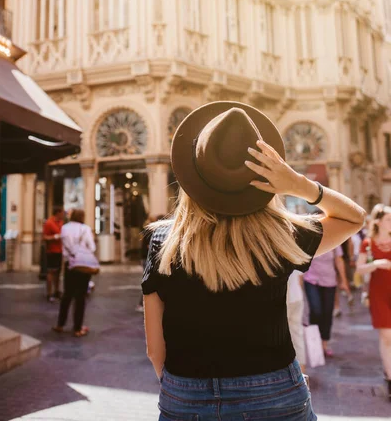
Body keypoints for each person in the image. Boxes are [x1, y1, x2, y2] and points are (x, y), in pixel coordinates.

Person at [142, 102, 365, 421]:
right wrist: (298, 185)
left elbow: (154, 349)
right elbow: (354, 218)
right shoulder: (282, 236)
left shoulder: (162, 241)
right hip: (274, 393)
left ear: (193, 176)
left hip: (186, 393)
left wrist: (186, 392)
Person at [357, 203, 391, 401]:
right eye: (388, 219)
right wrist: (376, 264)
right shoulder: (367, 243)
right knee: (387, 336)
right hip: (379, 293)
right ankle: (390, 377)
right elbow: (360, 269)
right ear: (378, 222)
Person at [53, 209, 96, 337]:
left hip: (70, 265)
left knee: (67, 294)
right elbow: (92, 247)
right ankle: (77, 328)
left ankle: (60, 324)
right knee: (80, 297)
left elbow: (64, 245)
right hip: (83, 265)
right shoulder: (85, 229)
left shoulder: (64, 228)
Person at [304, 247, 349, 356]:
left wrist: (344, 281)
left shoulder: (334, 239)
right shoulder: (311, 236)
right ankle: (315, 344)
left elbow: (339, 260)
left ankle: (324, 344)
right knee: (316, 310)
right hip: (311, 280)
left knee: (327, 313)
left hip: (329, 281)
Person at [43, 206, 64, 302]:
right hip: (51, 251)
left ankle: (57, 291)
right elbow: (45, 237)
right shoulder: (49, 223)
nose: (63, 214)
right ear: (57, 213)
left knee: (58, 272)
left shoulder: (61, 223)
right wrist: (55, 237)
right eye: (62, 212)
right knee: (51, 272)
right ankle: (49, 293)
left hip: (59, 250)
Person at [287, 270, 306, 374]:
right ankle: (302, 372)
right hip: (297, 297)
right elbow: (300, 279)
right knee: (297, 335)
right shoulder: (295, 253)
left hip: (285, 299)